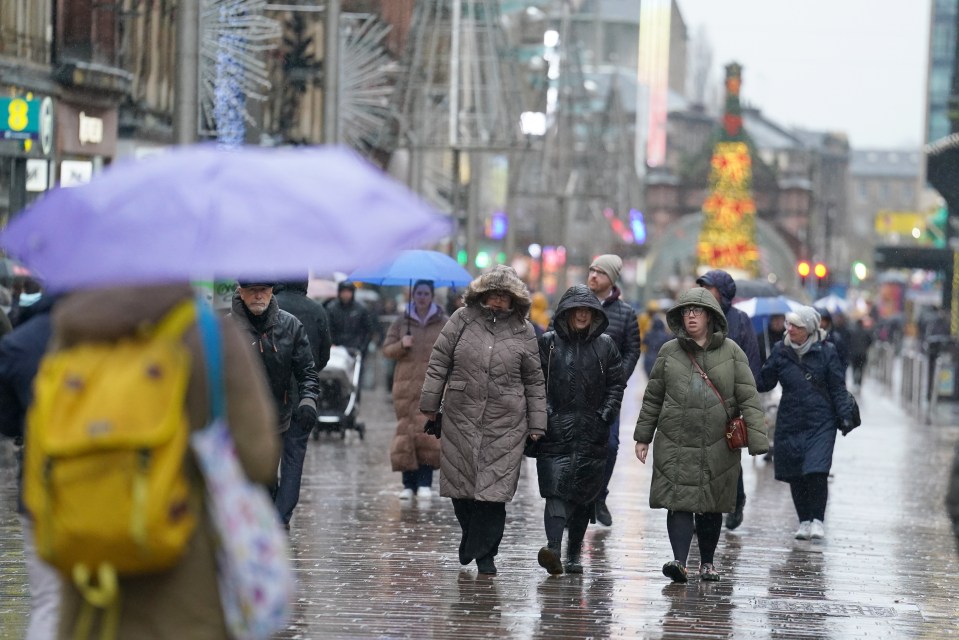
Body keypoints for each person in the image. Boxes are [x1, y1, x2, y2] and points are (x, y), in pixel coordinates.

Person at [51, 284, 279, 638]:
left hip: (91, 579)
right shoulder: (208, 335)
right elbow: (258, 458)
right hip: (184, 583)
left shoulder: (74, 330)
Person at [634, 287, 767, 583]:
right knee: (678, 500)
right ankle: (679, 562)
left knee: (710, 505)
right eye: (686, 311)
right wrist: (643, 437)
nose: (691, 315)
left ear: (711, 316)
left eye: (697, 311)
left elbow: (748, 396)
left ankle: (707, 563)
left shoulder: (732, 352)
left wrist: (758, 440)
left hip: (717, 442)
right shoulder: (669, 352)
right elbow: (653, 397)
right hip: (675, 440)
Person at [420, 265, 547, 575]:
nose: (499, 301)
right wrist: (430, 405)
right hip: (461, 414)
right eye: (494, 294)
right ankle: (472, 540)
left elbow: (533, 379)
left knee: (494, 494)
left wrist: (537, 424)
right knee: (461, 488)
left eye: (505, 296)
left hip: (506, 420)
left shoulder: (524, 330)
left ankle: (485, 554)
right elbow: (439, 362)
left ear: (514, 300)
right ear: (483, 294)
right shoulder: (461, 320)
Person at [535, 284, 625, 575]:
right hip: (555, 432)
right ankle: (553, 547)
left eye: (587, 310)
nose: (582, 315)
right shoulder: (549, 343)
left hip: (591, 433)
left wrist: (605, 416)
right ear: (567, 313)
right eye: (577, 310)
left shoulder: (606, 346)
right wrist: (547, 416)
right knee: (555, 491)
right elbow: (537, 383)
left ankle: (573, 553)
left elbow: (616, 384)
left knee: (583, 498)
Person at [757, 306, 855, 542]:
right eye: (789, 325)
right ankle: (803, 520)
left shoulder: (827, 351)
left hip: (821, 421)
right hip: (791, 419)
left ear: (809, 329)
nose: (789, 329)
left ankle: (818, 520)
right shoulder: (781, 350)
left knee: (816, 471)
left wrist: (845, 415)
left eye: (796, 326)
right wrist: (760, 363)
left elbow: (837, 387)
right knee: (795, 473)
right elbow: (765, 383)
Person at [230, 280, 320, 530]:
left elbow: (308, 372)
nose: (259, 296)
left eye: (264, 290)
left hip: (283, 412)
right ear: (241, 292)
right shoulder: (227, 329)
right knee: (259, 478)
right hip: (242, 420)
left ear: (272, 292)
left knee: (286, 476)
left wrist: (308, 400)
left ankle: (277, 524)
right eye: (252, 291)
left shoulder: (289, 325)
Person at [0, 293, 60, 639]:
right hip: (113, 487)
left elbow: (7, 424)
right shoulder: (126, 333)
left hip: (40, 489)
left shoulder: (22, 340)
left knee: (48, 601)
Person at [696, 269, 762, 531]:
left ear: (721, 293)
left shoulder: (741, 321)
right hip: (697, 399)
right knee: (697, 456)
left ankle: (737, 497)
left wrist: (745, 398)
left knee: (727, 456)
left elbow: (751, 363)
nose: (703, 291)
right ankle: (698, 509)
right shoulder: (695, 316)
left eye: (708, 287)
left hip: (727, 401)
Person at [586, 254, 641, 527]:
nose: (594, 275)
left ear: (612, 280)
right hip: (575, 390)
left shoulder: (626, 313)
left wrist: (619, 377)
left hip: (609, 391)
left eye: (600, 272)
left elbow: (632, 349)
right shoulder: (574, 304)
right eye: (592, 270)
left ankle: (599, 495)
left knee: (609, 444)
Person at [273, 278, 332, 524]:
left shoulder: (272, 307)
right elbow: (324, 354)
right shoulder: (317, 310)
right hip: (302, 396)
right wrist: (309, 371)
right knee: (293, 458)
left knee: (268, 456)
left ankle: (268, 509)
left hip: (272, 395)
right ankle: (282, 515)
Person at [383, 280, 449, 500]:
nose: (421, 297)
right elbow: (387, 350)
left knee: (427, 433)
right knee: (406, 432)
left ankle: (425, 482)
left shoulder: (444, 322)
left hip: (432, 385)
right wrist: (402, 344)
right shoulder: (402, 321)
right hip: (406, 386)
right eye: (418, 293)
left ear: (432, 296)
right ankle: (407, 484)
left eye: (425, 293)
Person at [818, 308, 850, 372]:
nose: (821, 323)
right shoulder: (812, 337)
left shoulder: (836, 338)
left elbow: (843, 358)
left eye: (824, 320)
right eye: (820, 320)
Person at [848, 317, 874, 390]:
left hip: (854, 354)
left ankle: (854, 382)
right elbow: (870, 341)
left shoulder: (852, 332)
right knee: (861, 369)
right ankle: (859, 383)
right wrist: (865, 347)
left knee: (854, 368)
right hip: (862, 354)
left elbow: (849, 342)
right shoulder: (865, 332)